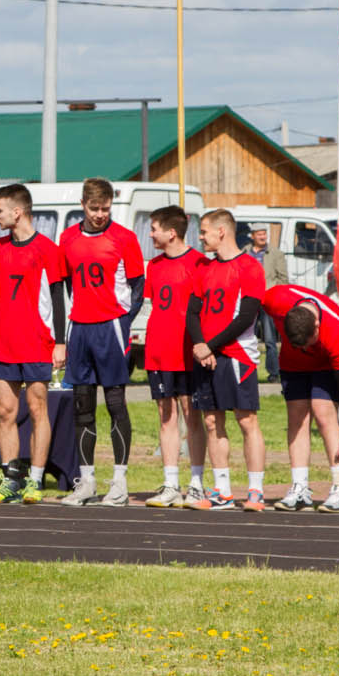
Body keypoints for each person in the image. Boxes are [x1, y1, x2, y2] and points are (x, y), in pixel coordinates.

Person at [59, 178, 145, 506]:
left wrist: (123, 321)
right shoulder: (67, 238)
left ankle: (119, 481)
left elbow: (138, 286)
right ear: (83, 205)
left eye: (105, 208)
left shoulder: (124, 238)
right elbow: (64, 284)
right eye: (94, 208)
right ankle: (87, 481)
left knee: (115, 404)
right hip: (80, 328)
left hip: (111, 328)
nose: (99, 214)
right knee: (83, 406)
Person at [0, 183, 67, 504]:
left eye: (0, 210)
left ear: (17, 212)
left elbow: (59, 298)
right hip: (5, 344)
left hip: (36, 342)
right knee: (6, 411)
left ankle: (35, 479)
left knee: (36, 408)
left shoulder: (47, 248)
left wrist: (60, 341)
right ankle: (10, 479)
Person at [187, 208, 267, 510]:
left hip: (237, 355)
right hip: (208, 356)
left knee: (246, 420)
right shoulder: (204, 268)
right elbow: (193, 312)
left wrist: (212, 346)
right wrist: (200, 344)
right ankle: (222, 490)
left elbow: (246, 316)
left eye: (205, 231)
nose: (201, 237)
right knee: (211, 421)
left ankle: (255, 490)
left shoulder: (249, 267)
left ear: (222, 231)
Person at [262, 284, 339, 511]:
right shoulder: (276, 299)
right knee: (296, 418)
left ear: (316, 325)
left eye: (308, 342)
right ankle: (299, 487)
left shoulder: (336, 329)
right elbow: (248, 303)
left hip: (325, 365)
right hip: (292, 364)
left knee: (324, 412)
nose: (306, 347)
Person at [140, 205, 209, 508]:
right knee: (166, 416)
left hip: (187, 351)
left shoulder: (200, 263)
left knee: (192, 415)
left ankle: (196, 482)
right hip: (159, 352)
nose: (150, 233)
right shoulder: (153, 265)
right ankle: (170, 483)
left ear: (171, 232)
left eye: (154, 228)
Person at [244, 221, 288, 382]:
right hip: (249, 300)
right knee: (247, 338)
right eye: (259, 234)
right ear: (253, 236)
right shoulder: (245, 252)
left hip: (268, 300)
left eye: (264, 233)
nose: (263, 236)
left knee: (270, 339)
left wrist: (275, 295)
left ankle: (273, 373)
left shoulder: (275, 254)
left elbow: (283, 279)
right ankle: (248, 372)